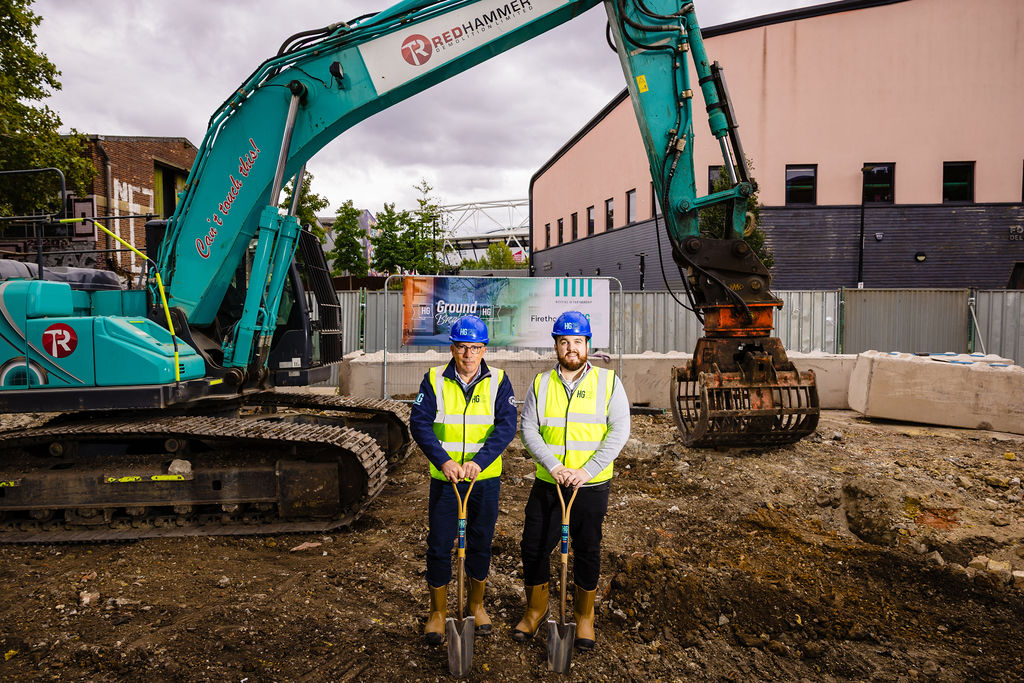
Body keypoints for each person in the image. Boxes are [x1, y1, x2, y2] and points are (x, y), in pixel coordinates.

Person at [513, 310, 630, 651]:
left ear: (588, 345)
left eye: (577, 341)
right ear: (556, 346)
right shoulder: (541, 383)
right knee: (533, 547)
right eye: (564, 342)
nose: (571, 348)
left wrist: (586, 470)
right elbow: (528, 429)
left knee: (588, 550)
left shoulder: (609, 383)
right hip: (549, 484)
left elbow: (619, 431)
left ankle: (584, 617)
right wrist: (553, 466)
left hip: (590, 487)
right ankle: (536, 609)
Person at [409, 314, 517, 645]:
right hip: (447, 481)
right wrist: (443, 461)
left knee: (480, 541)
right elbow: (419, 423)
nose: (468, 355)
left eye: (475, 348)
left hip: (483, 480)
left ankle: (476, 605)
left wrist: (479, 462)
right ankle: (438, 613)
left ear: (484, 349)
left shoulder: (499, 381)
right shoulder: (434, 379)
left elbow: (506, 426)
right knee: (441, 545)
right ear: (452, 348)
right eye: (461, 347)